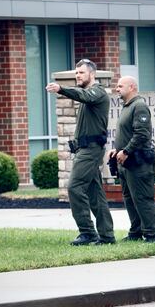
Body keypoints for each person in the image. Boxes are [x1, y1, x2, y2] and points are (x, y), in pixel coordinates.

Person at [46, 59, 115, 246]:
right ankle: (107, 236)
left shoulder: (97, 92)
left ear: (92, 74)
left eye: (81, 73)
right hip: (85, 149)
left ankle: (88, 233)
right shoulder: (87, 94)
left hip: (91, 151)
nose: (78, 76)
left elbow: (85, 96)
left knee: (74, 188)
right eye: (76, 73)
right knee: (95, 193)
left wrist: (61, 89)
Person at [110, 76, 155, 243]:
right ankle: (136, 232)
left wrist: (126, 150)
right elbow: (127, 133)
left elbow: (142, 134)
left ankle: (152, 234)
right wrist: (116, 150)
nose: (117, 89)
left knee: (142, 198)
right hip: (126, 163)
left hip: (139, 162)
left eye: (120, 86)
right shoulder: (127, 107)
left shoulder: (139, 106)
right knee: (129, 198)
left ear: (131, 87)